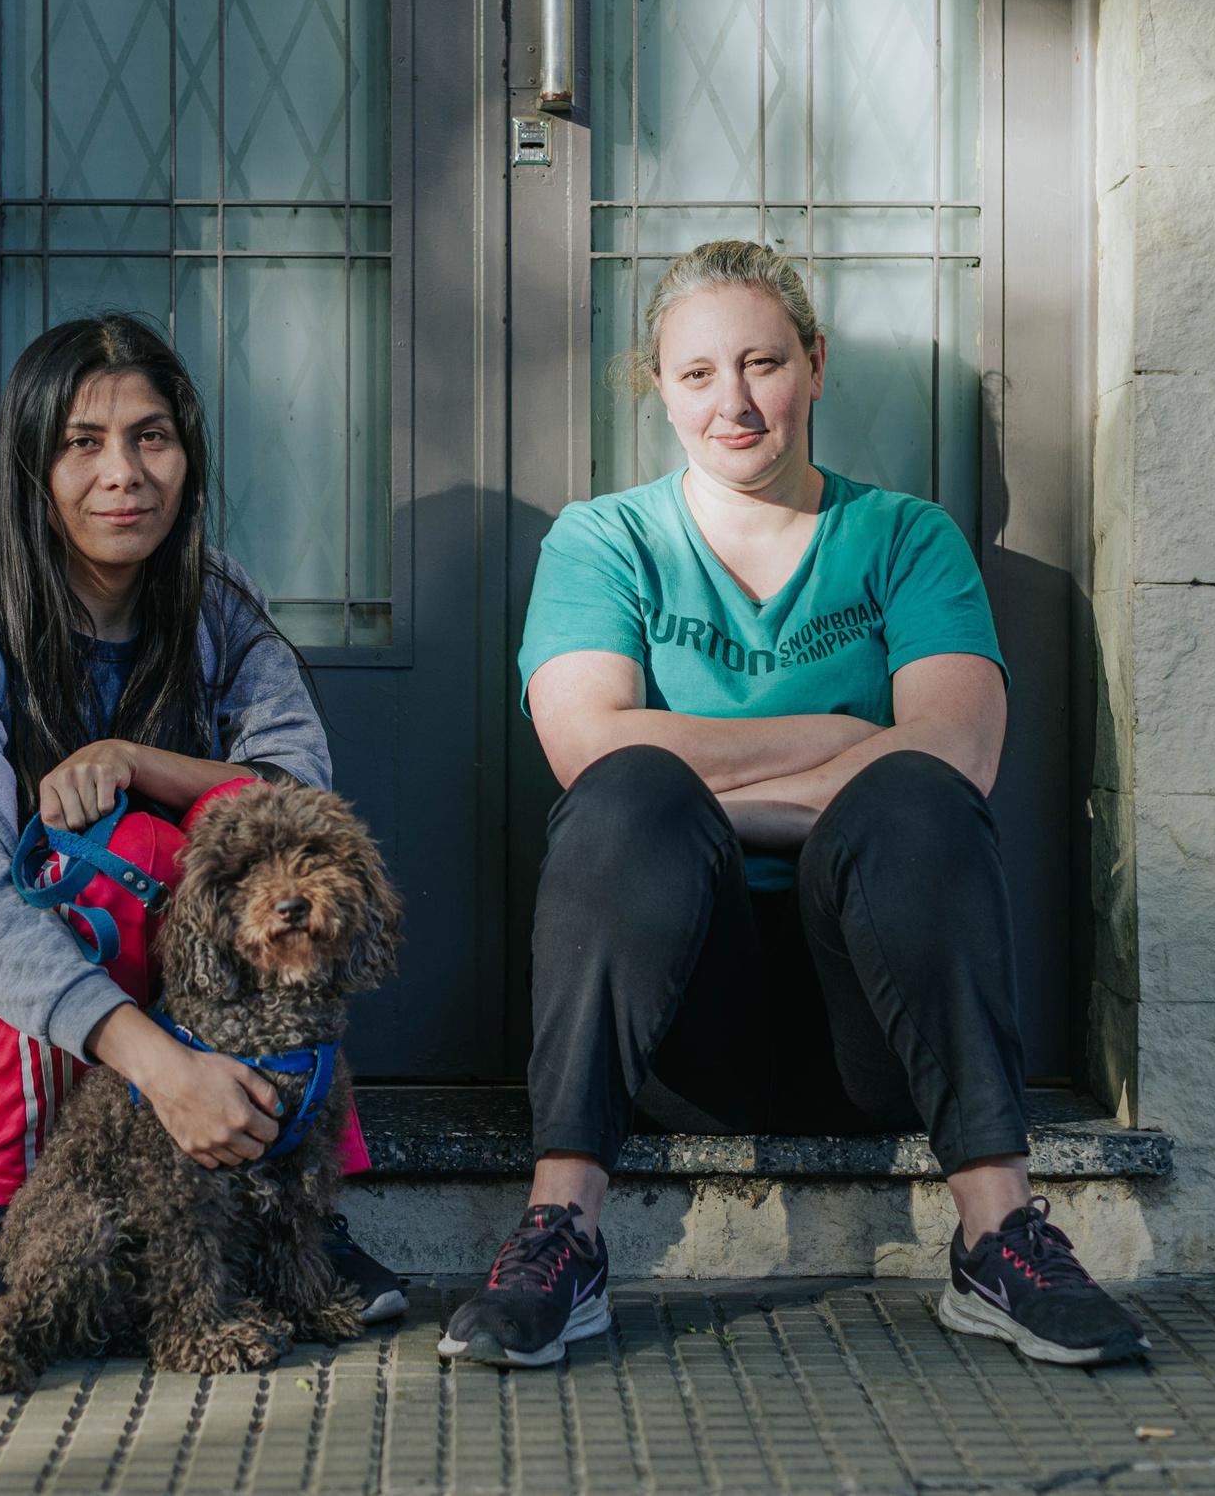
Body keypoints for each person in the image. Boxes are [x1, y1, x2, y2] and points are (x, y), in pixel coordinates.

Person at [439, 243, 1148, 1370]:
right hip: (681, 1033)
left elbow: (957, 751)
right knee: (628, 796)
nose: (733, 401)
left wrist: (732, 789)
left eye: (763, 362)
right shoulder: (605, 539)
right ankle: (562, 1231)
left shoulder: (904, 538)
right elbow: (587, 743)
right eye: (697, 373)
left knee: (912, 795)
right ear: (660, 389)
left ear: (813, 365)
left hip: (878, 1036)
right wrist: (839, 744)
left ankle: (998, 1236)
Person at [0, 314, 404, 1346]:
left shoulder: (221, 606)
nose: (124, 473)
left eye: (152, 436)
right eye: (81, 442)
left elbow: (299, 796)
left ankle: (298, 1209)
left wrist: (140, 759)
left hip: (171, 1032)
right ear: (32, 462)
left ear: (187, 455)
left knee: (245, 845)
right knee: (116, 861)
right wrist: (162, 1065)